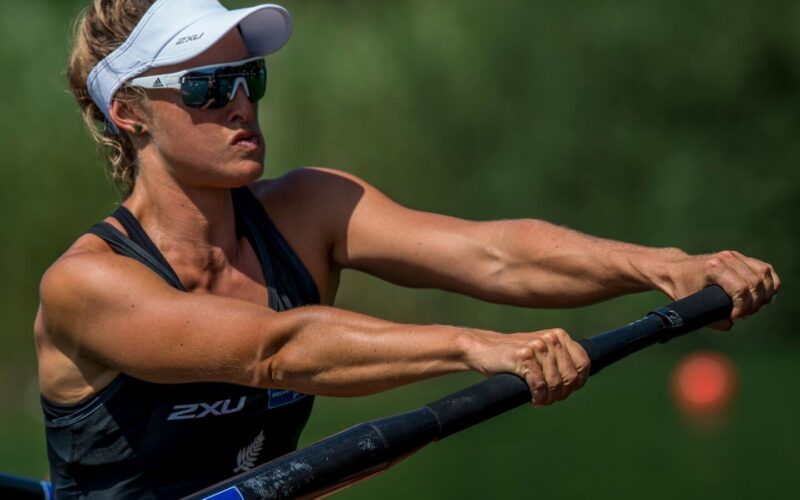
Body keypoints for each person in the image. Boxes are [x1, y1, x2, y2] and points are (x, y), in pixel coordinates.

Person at [34, 0, 780, 498]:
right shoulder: (89, 286)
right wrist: (475, 347)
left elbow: (495, 256)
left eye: (249, 77)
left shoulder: (307, 210)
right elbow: (275, 349)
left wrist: (665, 265)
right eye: (207, 86)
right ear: (128, 111)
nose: (241, 103)